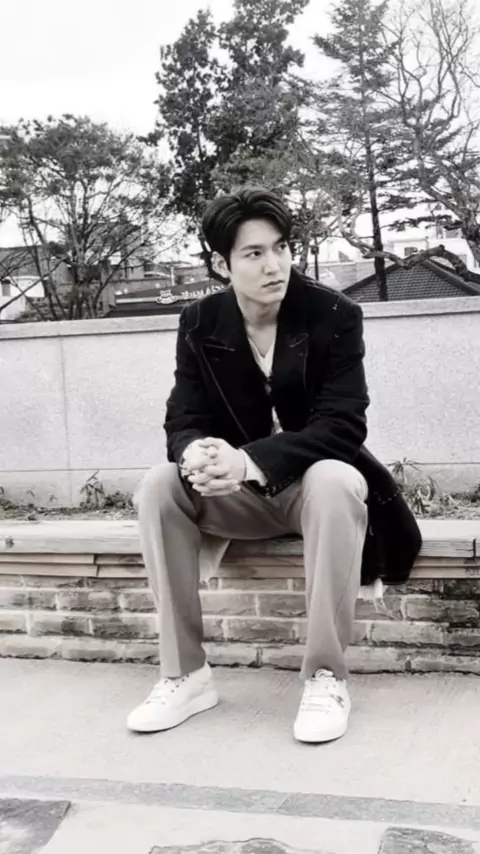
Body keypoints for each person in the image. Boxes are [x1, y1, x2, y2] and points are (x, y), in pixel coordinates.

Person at [128, 187, 422, 743]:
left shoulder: (333, 314)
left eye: (281, 247)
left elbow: (343, 426)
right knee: (160, 484)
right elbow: (183, 416)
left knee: (336, 479)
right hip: (235, 496)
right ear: (222, 264)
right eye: (254, 253)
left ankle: (326, 677)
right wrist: (195, 453)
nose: (274, 265)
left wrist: (247, 462)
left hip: (311, 490)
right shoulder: (199, 321)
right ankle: (186, 674)